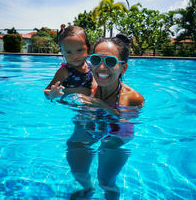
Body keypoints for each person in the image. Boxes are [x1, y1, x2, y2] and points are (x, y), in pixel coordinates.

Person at [66, 34, 144, 199]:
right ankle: (87, 189)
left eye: (110, 61)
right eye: (96, 60)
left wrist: (102, 106)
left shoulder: (131, 98)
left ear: (123, 68)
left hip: (116, 135)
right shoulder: (87, 87)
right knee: (78, 170)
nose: (101, 68)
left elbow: (125, 125)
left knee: (106, 181)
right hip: (93, 125)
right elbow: (61, 97)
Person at [44, 25, 94, 100]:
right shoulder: (64, 71)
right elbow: (47, 90)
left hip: (87, 104)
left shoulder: (91, 66)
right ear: (63, 53)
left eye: (79, 50)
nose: (75, 56)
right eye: (69, 52)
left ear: (88, 48)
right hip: (69, 106)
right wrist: (51, 94)